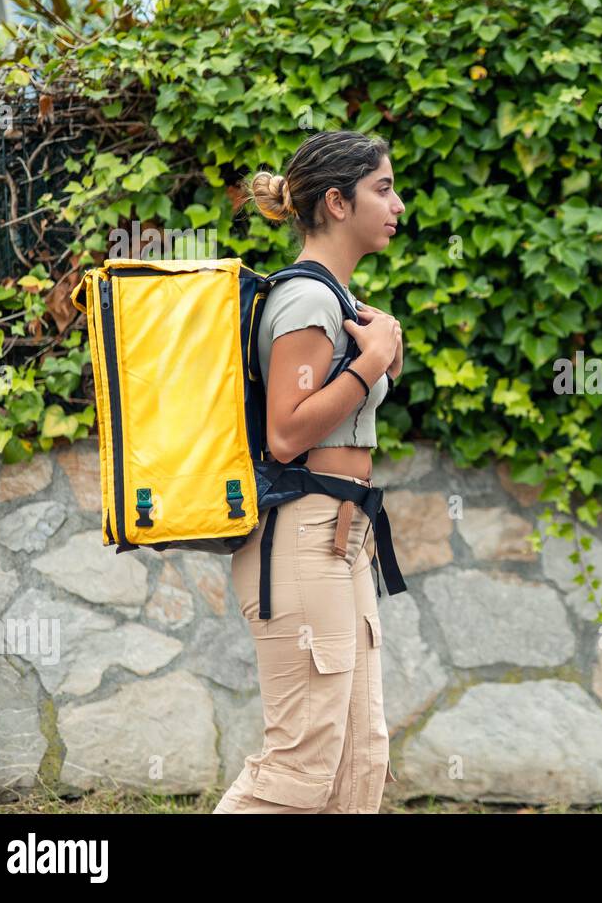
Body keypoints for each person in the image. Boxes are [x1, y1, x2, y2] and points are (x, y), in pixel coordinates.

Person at [214, 130, 405, 813]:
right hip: (299, 537)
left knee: (359, 759)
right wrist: (372, 361)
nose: (398, 205)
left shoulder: (337, 300)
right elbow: (289, 432)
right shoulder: (307, 301)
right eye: (382, 188)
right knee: (300, 764)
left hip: (342, 537)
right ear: (336, 200)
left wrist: (377, 349)